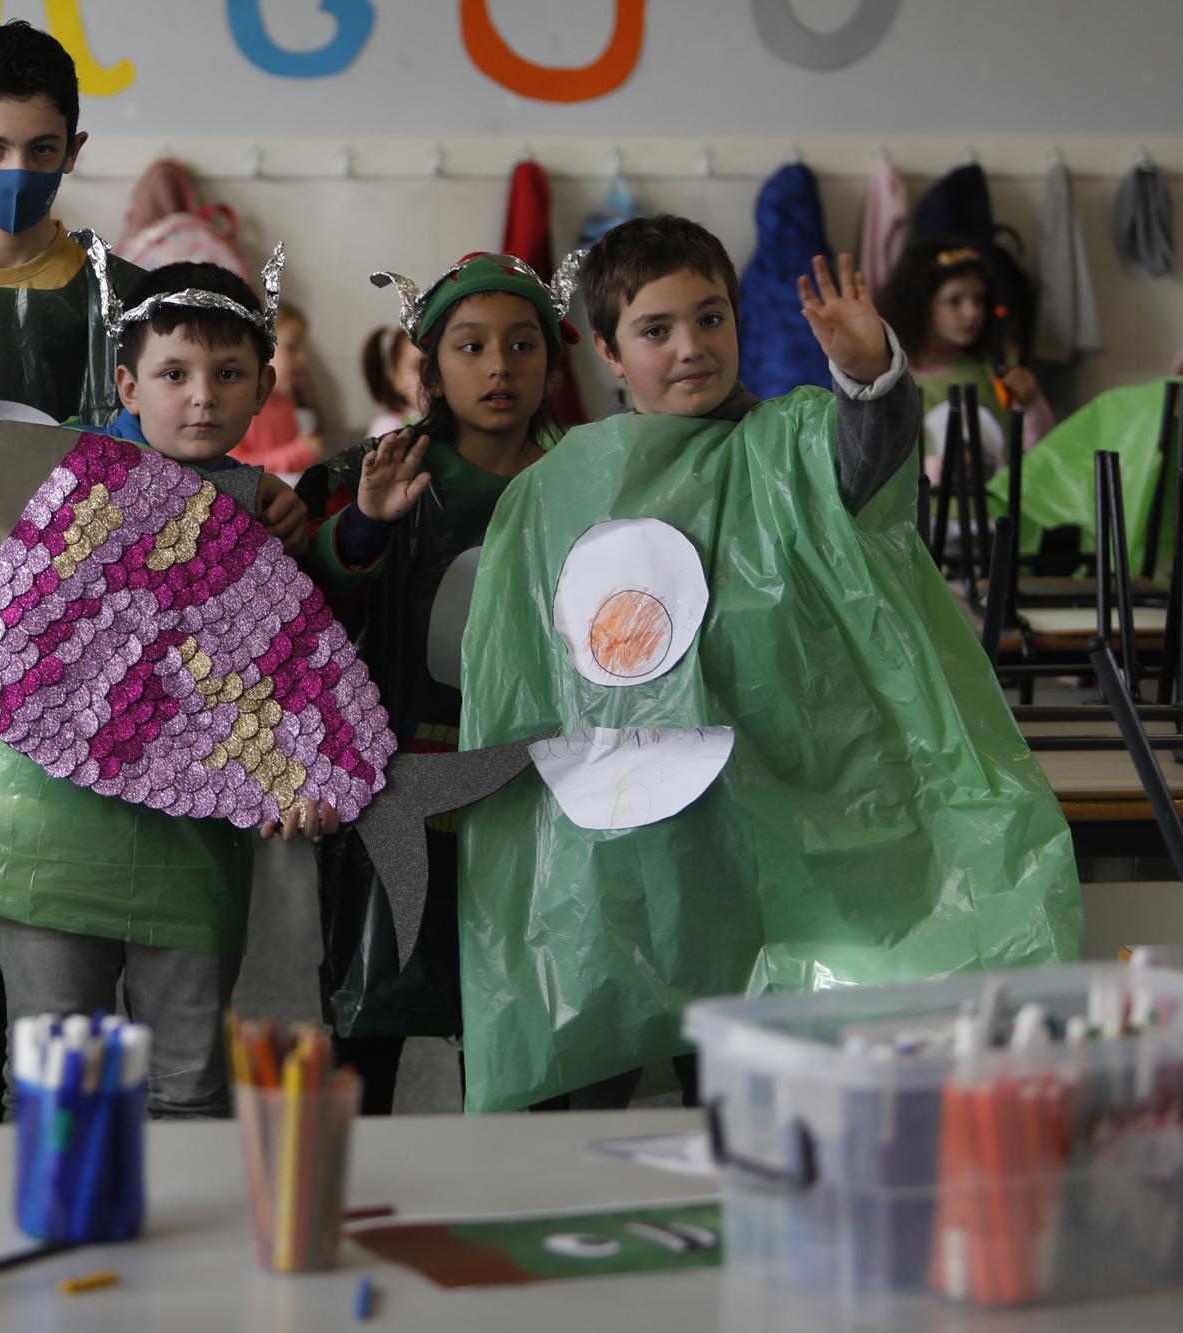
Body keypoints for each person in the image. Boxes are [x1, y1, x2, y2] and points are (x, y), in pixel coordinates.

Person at [457, 215, 1080, 1112]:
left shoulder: (789, 444)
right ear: (605, 348)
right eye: (656, 329)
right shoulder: (555, 491)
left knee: (750, 1090)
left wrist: (869, 375)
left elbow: (865, 457)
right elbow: (517, 678)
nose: (691, 349)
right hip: (610, 846)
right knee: (581, 1079)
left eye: (712, 319)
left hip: (765, 826)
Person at [0, 20, 305, 1123]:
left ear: (73, 148)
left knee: (87, 1027)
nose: (15, 171)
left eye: (40, 148)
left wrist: (290, 509)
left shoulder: (126, 300)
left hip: (94, 720)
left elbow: (198, 471)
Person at [0, 257, 346, 1118]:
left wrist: (303, 770)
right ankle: (66, 1234)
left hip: (190, 845)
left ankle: (188, 1253)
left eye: (227, 375)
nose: (201, 397)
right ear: (128, 385)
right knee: (62, 1075)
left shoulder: (264, 513)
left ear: (264, 389)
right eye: (174, 374)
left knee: (189, 1079)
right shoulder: (45, 471)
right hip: (44, 837)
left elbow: (295, 665)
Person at [299, 253, 571, 1115]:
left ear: (552, 362)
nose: (499, 367)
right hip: (398, 787)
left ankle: (518, 1208)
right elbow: (312, 612)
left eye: (523, 344)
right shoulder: (372, 476)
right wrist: (366, 526)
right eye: (472, 345)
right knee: (371, 1010)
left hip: (539, 793)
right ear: (430, 365)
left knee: (523, 1017)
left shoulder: (592, 479)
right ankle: (340, 1200)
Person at [878, 236, 1056, 482]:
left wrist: (1031, 401)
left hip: (996, 515)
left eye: (979, 299)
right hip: (927, 518)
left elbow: (1041, 447)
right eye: (955, 301)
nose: (972, 312)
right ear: (922, 305)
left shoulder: (994, 370)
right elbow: (883, 465)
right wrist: (939, 469)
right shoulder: (896, 377)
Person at [230, 300, 326, 481]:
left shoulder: (285, 402)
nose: (302, 358)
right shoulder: (239, 405)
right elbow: (234, 465)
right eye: (291, 347)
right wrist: (300, 452)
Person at [359, 322, 425, 440]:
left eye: (437, 364)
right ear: (396, 381)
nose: (433, 375)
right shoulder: (388, 428)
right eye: (417, 367)